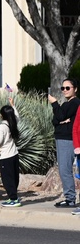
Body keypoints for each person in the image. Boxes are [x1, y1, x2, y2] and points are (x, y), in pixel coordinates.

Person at [49, 78, 79, 208]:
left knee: (65, 170)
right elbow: (55, 120)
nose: (65, 90)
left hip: (67, 139)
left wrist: (55, 103)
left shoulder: (75, 102)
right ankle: (69, 197)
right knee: (63, 169)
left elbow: (59, 116)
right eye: (63, 88)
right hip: (62, 138)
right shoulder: (67, 104)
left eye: (68, 88)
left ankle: (70, 198)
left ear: (75, 89)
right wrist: (60, 119)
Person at [0, 103, 21, 207]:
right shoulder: (12, 122)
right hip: (14, 154)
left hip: (6, 156)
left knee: (7, 178)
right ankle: (13, 197)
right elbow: (17, 116)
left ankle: (14, 199)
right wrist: (13, 106)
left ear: (2, 115)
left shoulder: (2, 126)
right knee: (14, 177)